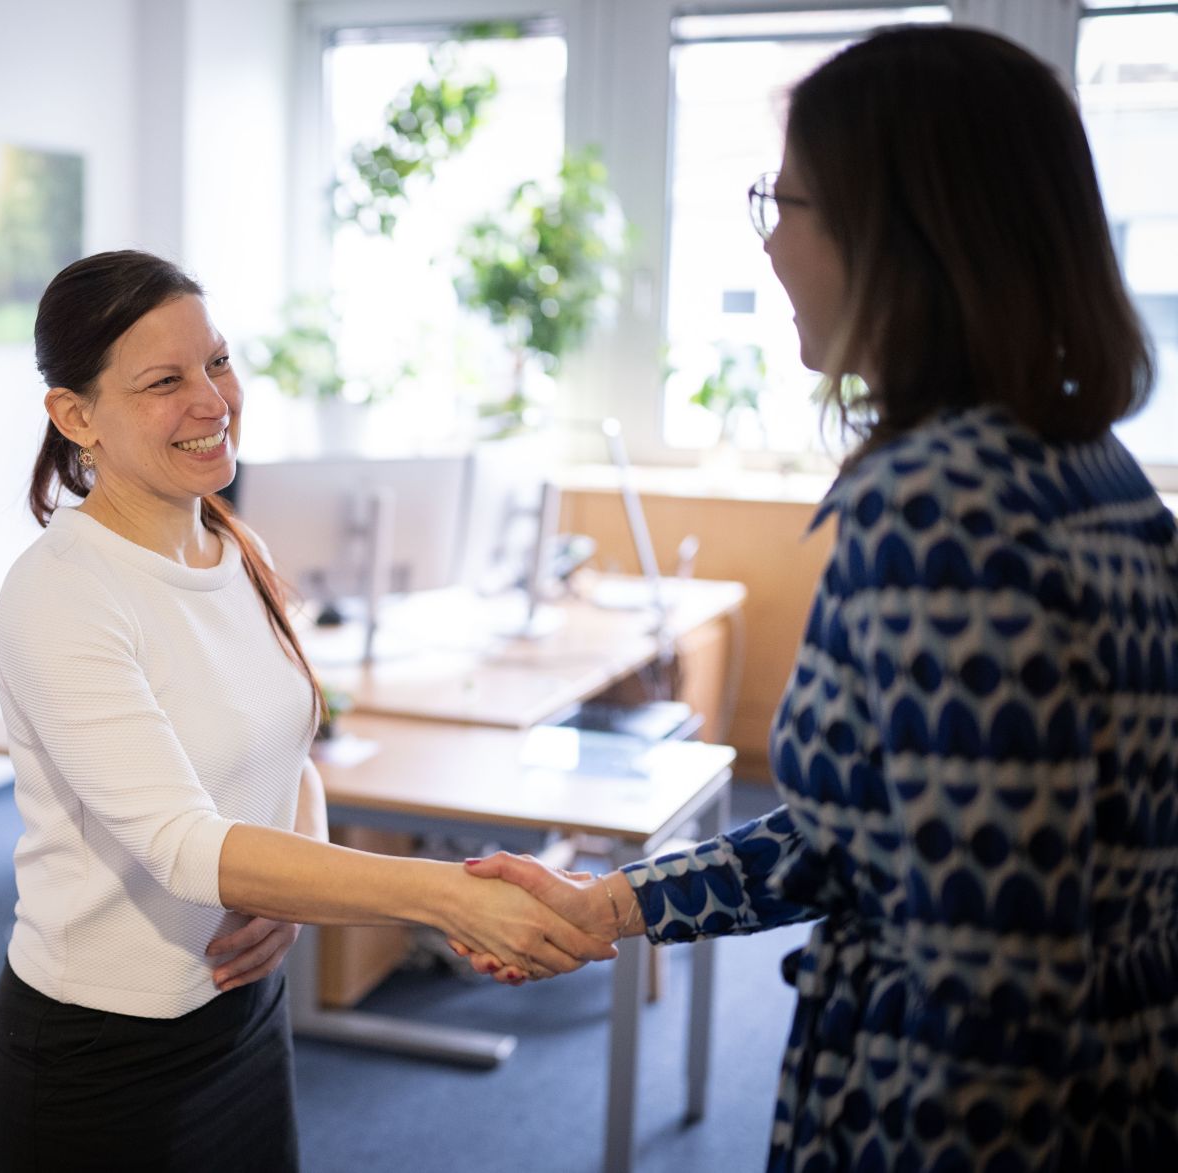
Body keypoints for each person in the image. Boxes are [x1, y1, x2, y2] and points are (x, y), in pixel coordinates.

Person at [460, 24, 1178, 1171]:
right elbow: (883, 837)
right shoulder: (1085, 466)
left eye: (780, 204)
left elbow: (993, 981)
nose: (767, 248)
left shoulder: (940, 507)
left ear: (891, 234)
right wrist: (613, 905)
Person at [0, 249, 609, 1172]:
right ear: (76, 415)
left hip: (243, 1011)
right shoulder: (63, 593)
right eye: (166, 381)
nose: (213, 400)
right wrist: (442, 895)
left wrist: (292, 891)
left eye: (219, 361)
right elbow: (183, 843)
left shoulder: (233, 544)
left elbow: (291, 749)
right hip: (104, 1047)